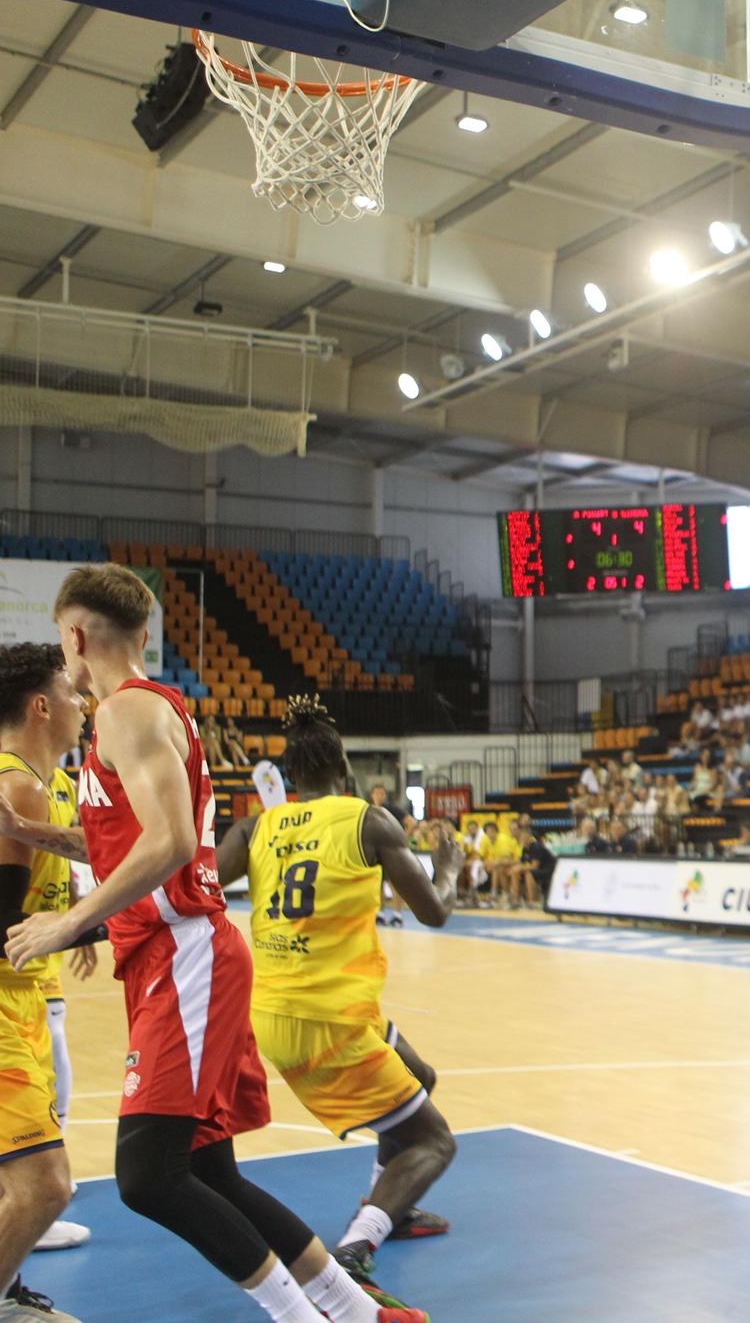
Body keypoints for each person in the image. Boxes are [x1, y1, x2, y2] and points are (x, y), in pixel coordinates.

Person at [0, 566, 429, 1323]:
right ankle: (361, 1311)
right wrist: (35, 834)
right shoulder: (139, 713)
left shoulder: (126, 713)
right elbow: (124, 840)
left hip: (184, 955)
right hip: (171, 955)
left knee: (146, 1175)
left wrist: (68, 922)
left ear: (75, 634)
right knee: (207, 1170)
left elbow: (165, 846)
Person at [215, 696, 465, 1300]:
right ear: (344, 766)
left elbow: (198, 888)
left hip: (275, 1012)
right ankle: (357, 1248)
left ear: (291, 776)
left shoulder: (255, 826)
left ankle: (393, 1207)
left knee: (418, 1076)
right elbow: (433, 912)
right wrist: (450, 866)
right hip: (330, 1020)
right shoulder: (369, 821)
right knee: (435, 1141)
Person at [0, 644, 100, 1320]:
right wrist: (101, 925)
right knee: (46, 1185)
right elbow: (3, 922)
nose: (83, 703)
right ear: (41, 706)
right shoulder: (17, 785)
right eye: (71, 692)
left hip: (25, 997)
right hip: (5, 1002)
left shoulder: (40, 783)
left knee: (25, 1181)